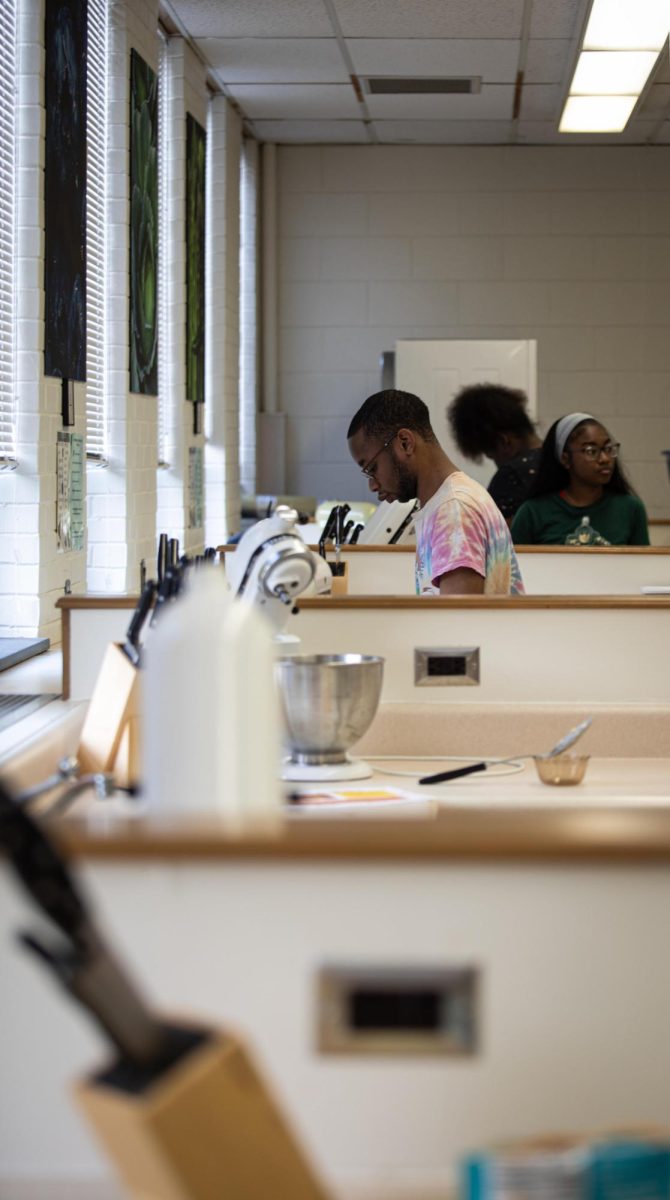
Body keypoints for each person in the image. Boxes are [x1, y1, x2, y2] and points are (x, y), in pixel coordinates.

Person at [347, 389, 524, 596]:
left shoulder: (454, 510)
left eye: (372, 468)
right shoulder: (447, 502)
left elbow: (456, 623)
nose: (373, 486)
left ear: (405, 442)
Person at [510, 412, 649, 546]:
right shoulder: (533, 512)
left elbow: (644, 566)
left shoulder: (630, 508)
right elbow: (511, 566)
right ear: (565, 459)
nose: (605, 459)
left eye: (608, 448)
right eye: (591, 451)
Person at [447, 383, 542, 521]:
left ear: (504, 442)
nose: (496, 463)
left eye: (491, 455)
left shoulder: (512, 475)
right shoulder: (562, 459)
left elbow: (494, 536)